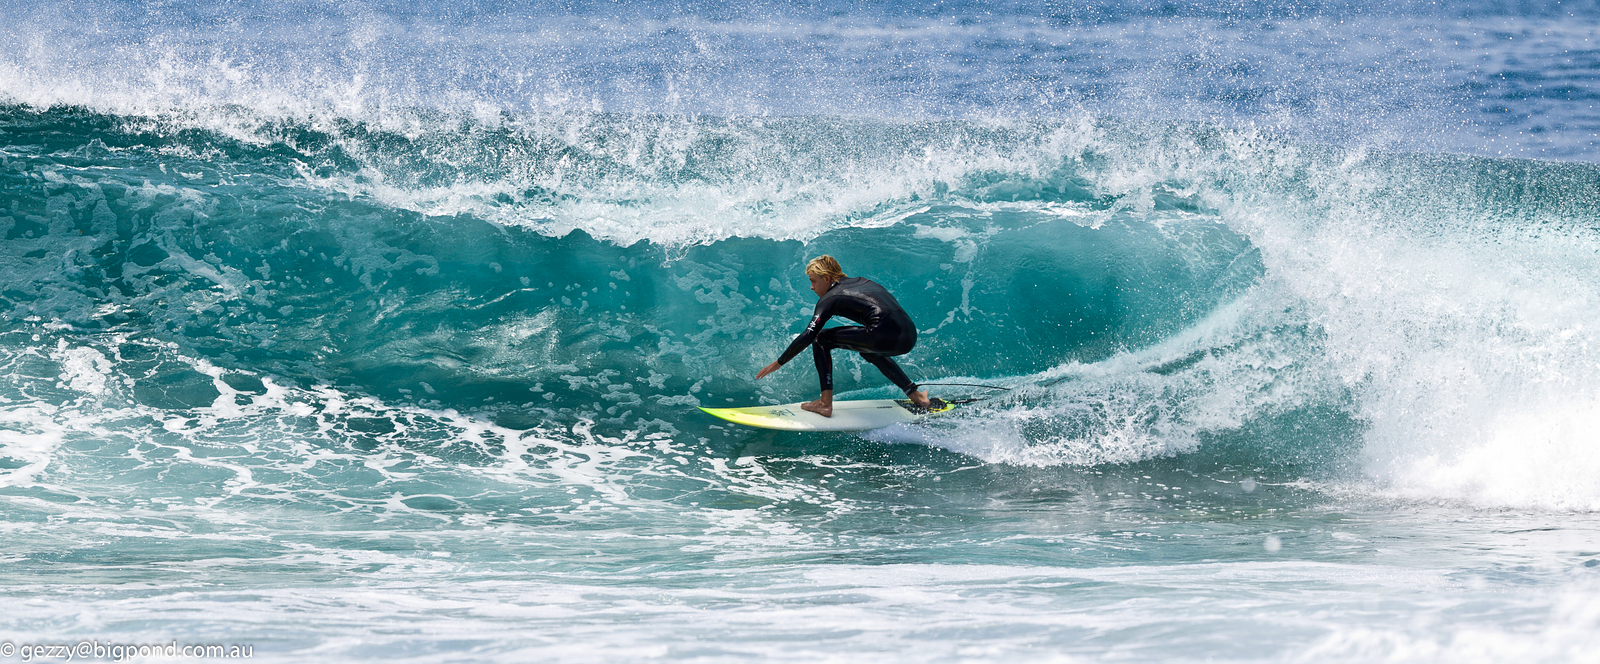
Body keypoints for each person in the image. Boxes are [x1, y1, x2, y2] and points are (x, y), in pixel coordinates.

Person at [755, 256, 933, 417]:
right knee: (870, 352)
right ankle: (916, 395)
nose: (811, 287)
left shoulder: (830, 298)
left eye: (813, 281)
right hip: (908, 335)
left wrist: (779, 362)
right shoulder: (862, 281)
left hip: (882, 334)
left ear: (827, 279)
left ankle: (825, 403)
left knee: (820, 339)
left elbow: (809, 334)